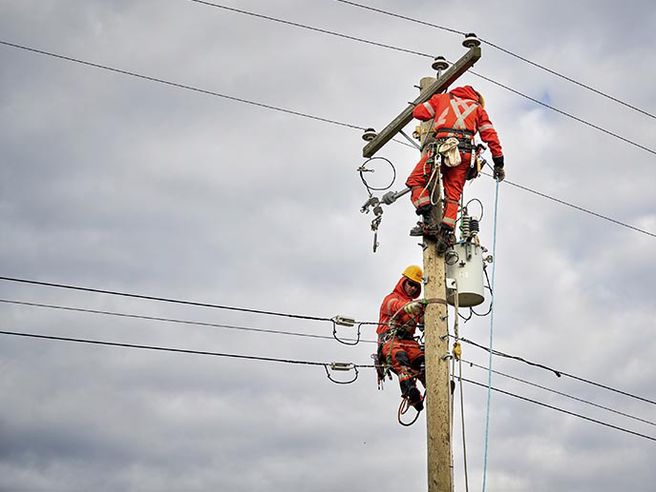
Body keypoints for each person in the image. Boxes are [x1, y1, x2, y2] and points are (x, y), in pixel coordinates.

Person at [405, 85, 505, 254]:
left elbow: (419, 113)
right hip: (464, 154)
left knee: (416, 180)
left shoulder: (442, 99)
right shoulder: (477, 108)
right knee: (453, 195)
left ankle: (428, 221)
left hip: (440, 149)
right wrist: (499, 163)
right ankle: (446, 233)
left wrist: (430, 102)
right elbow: (490, 135)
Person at [377, 265, 427, 411]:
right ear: (403, 282)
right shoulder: (391, 298)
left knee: (421, 361)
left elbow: (423, 320)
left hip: (408, 341)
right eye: (410, 283)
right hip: (390, 340)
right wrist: (408, 306)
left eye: (416, 286)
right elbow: (394, 306)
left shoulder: (415, 306)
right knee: (401, 358)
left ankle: (436, 384)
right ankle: (412, 393)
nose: (412, 288)